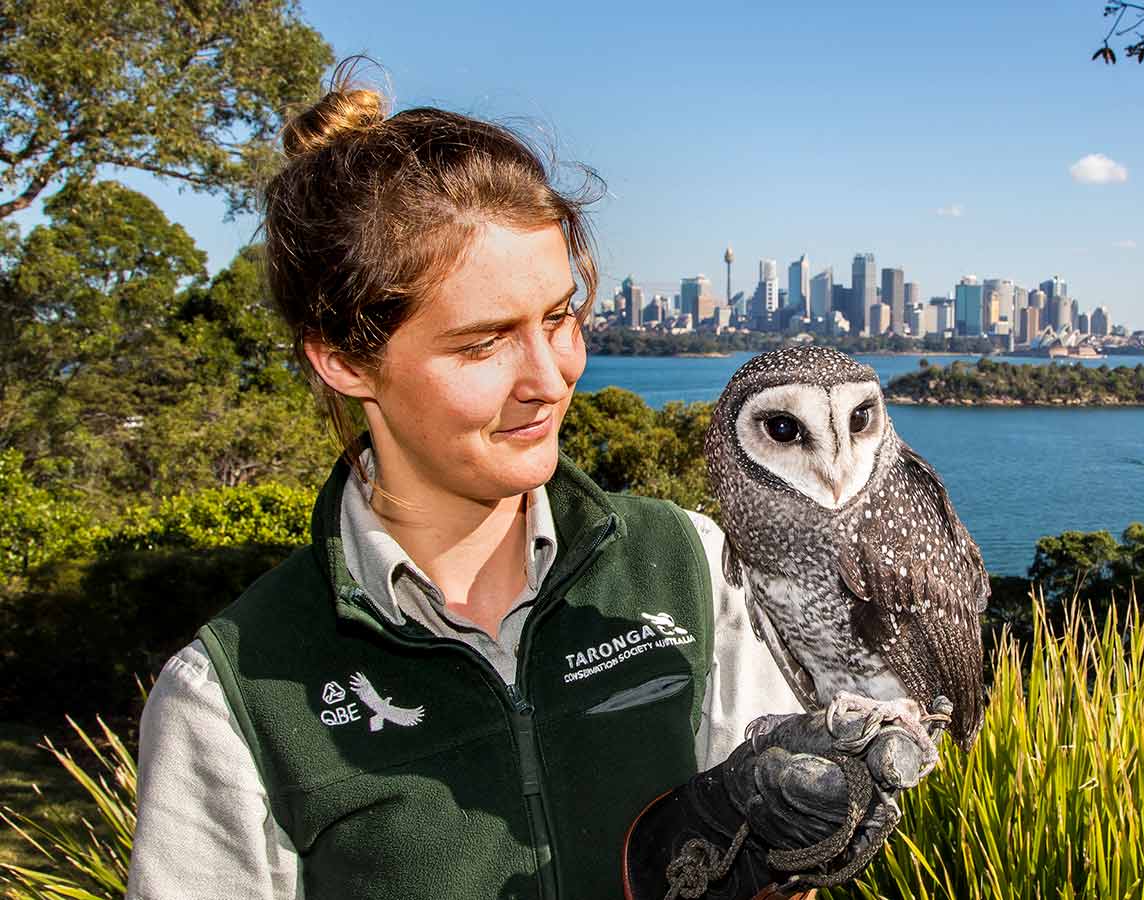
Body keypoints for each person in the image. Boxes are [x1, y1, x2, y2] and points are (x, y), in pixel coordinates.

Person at [125, 65, 938, 900]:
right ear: (342, 360)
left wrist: (768, 866)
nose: (549, 378)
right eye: (482, 344)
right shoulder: (230, 698)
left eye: (559, 318)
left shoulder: (689, 563)